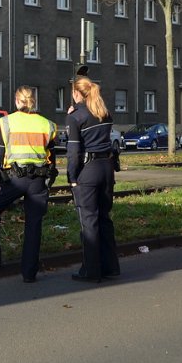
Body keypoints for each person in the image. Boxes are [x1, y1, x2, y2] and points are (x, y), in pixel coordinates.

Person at [0, 86, 58, 283]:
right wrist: (50, 181)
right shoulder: (47, 124)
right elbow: (52, 158)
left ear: (17, 101)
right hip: (38, 181)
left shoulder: (7, 122)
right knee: (34, 225)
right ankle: (29, 273)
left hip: (14, 180)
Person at [66, 76, 120, 283]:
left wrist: (72, 177)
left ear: (76, 93)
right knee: (105, 218)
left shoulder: (76, 116)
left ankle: (91, 270)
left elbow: (73, 152)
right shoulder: (104, 112)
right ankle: (111, 267)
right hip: (107, 169)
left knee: (89, 221)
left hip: (88, 172)